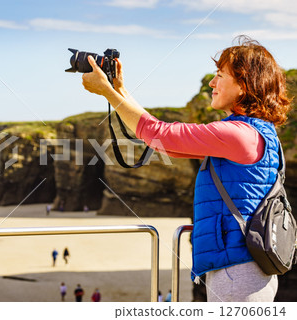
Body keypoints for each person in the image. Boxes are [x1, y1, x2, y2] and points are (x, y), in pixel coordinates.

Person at [81, 35, 290, 302]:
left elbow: (160, 133)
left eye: (220, 76)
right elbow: (161, 142)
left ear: (244, 85)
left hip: (237, 273)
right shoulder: (257, 132)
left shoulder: (238, 134)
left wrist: (107, 92)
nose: (212, 83)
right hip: (242, 267)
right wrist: (119, 89)